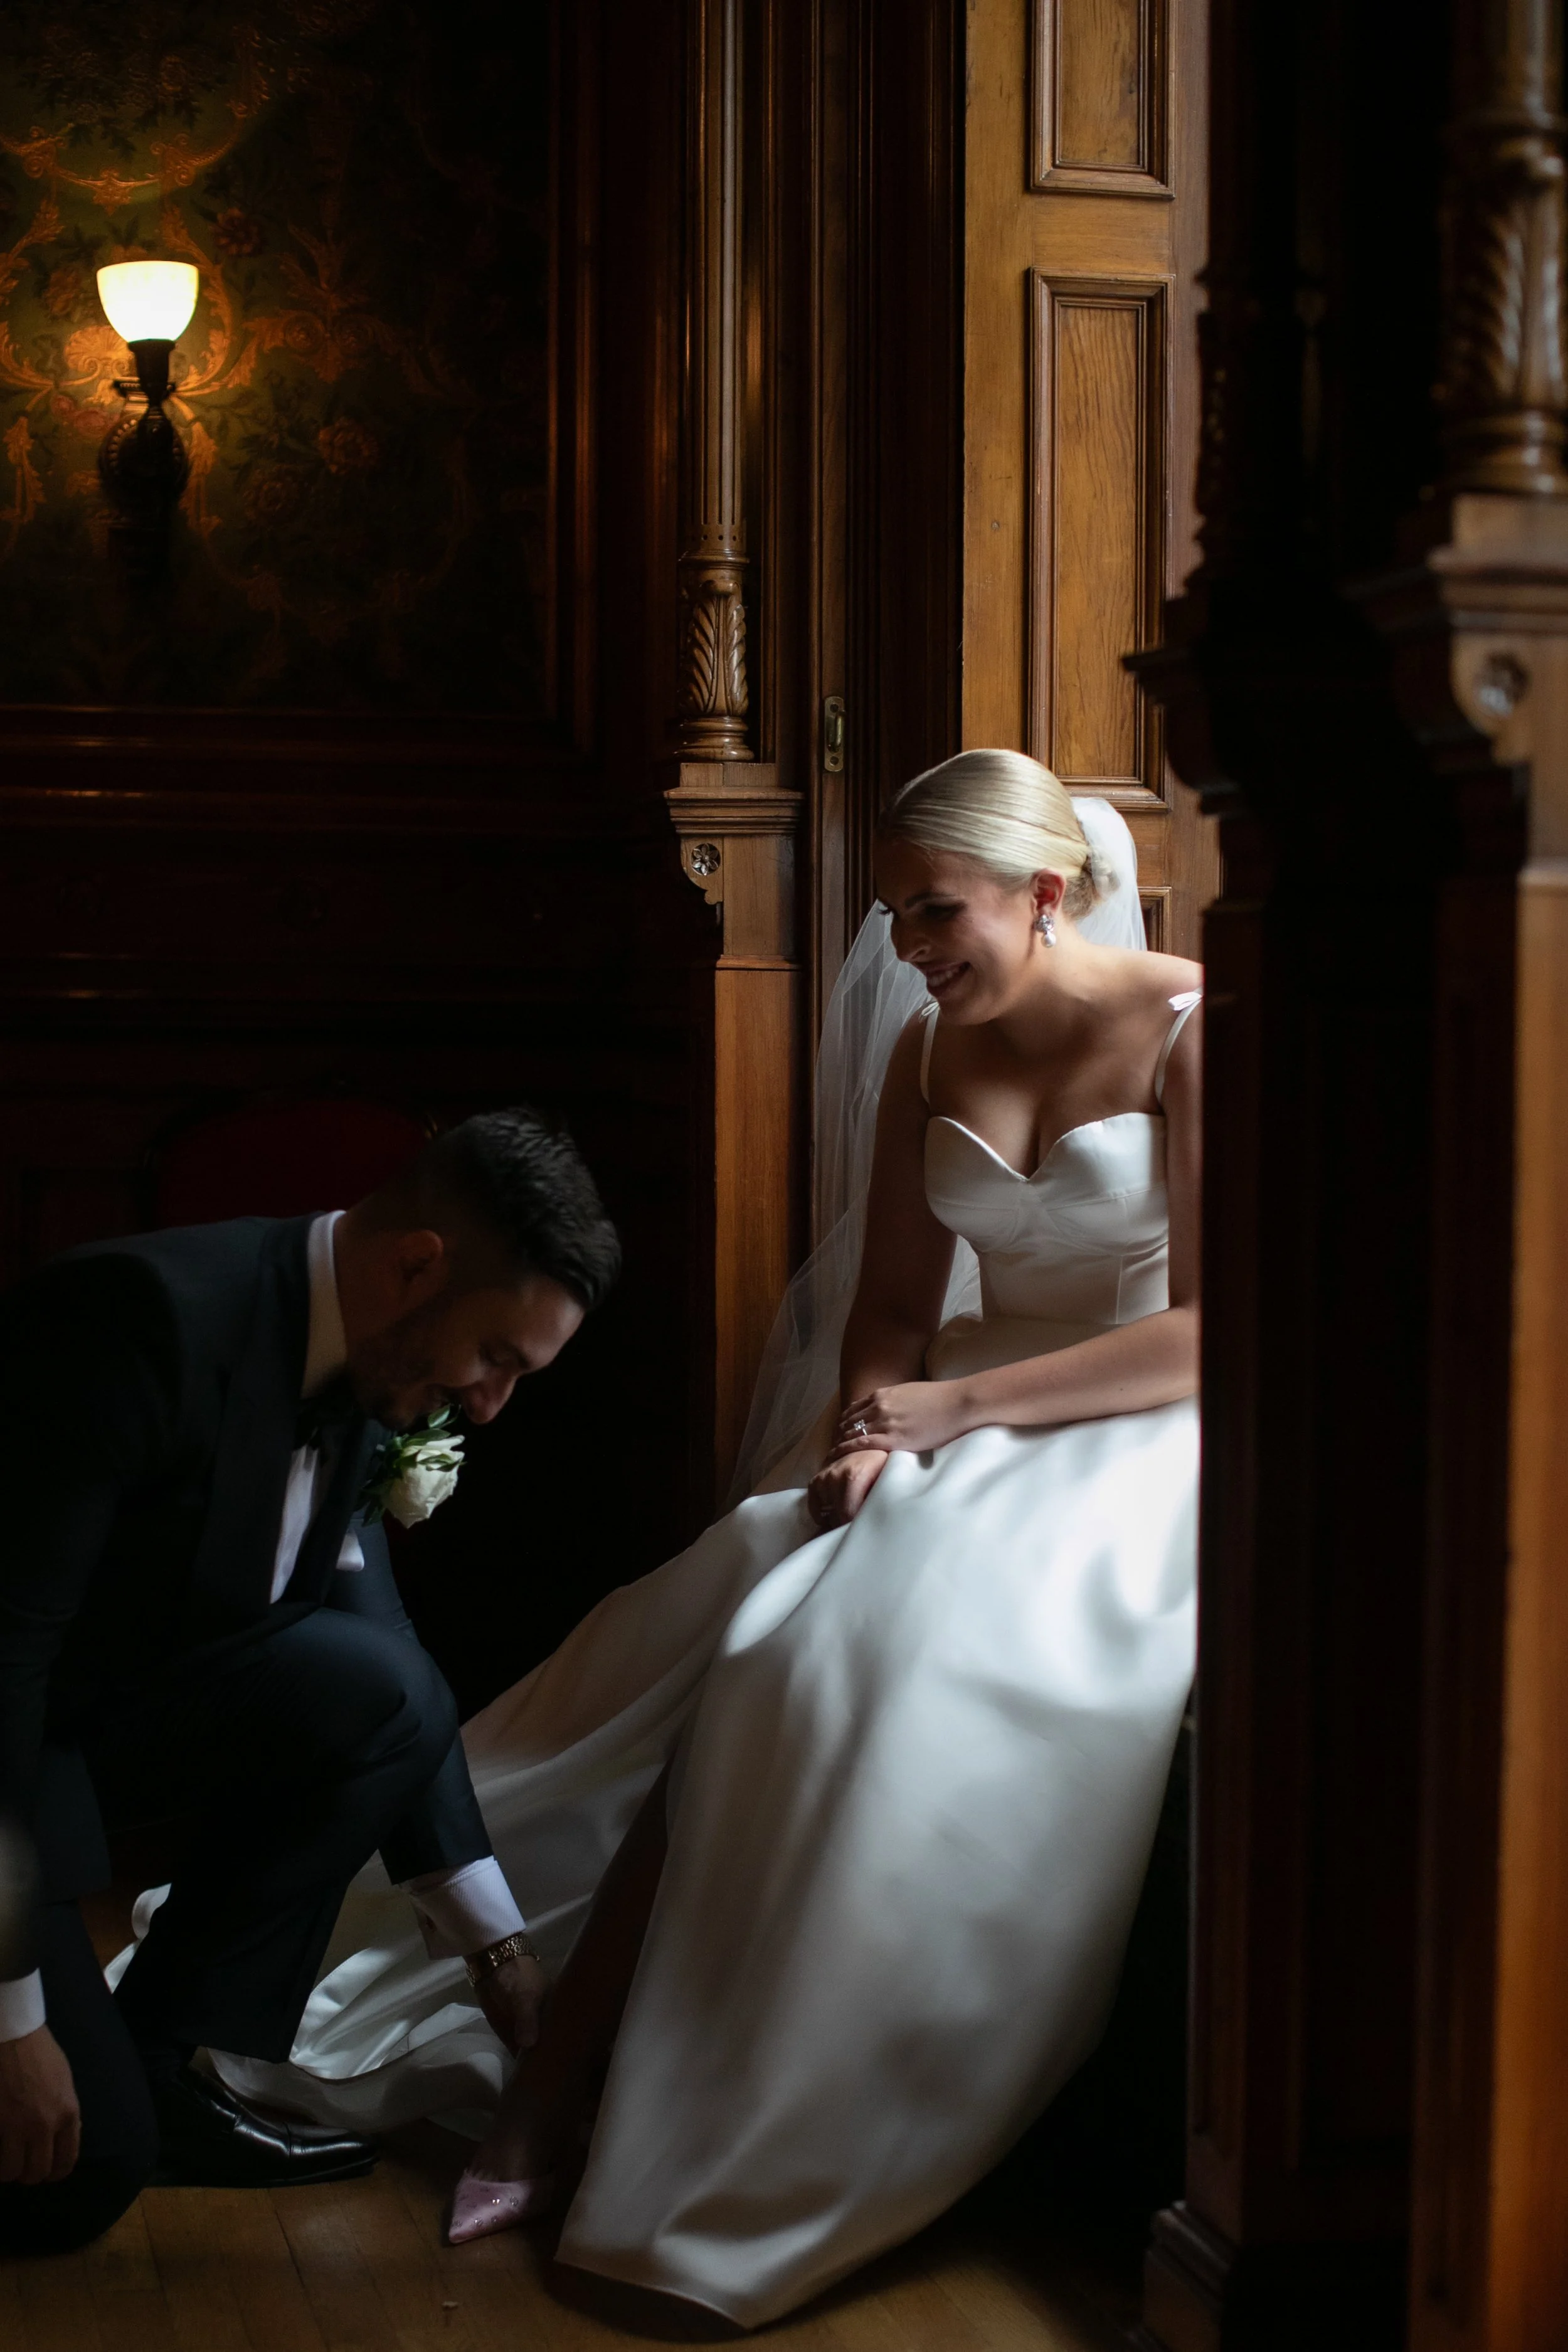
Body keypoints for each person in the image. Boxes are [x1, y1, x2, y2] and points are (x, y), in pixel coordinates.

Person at [208, 753, 1201, 2329]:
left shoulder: (1185, 1022)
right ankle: (559, 2084)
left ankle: (743, 2143)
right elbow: (883, 1312)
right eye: (891, 915)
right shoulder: (930, 1053)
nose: (911, 950)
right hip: (946, 1427)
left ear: (1044, 890)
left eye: (934, 913)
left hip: (1132, 1440)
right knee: (734, 1633)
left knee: (843, 1671)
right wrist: (863, 1435)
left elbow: (1210, 1335)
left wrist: (957, 1414)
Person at [0, 1108, 617, 2255]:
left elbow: (381, 1649)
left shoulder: (368, 1360)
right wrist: (11, 2020)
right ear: (415, 1266)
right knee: (76, 2181)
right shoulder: (134, 1323)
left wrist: (498, 1948)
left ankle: (154, 2068)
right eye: (494, 1359)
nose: (488, 1404)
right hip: (19, 1752)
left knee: (380, 1689)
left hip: (102, 1724)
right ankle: (108, 2103)